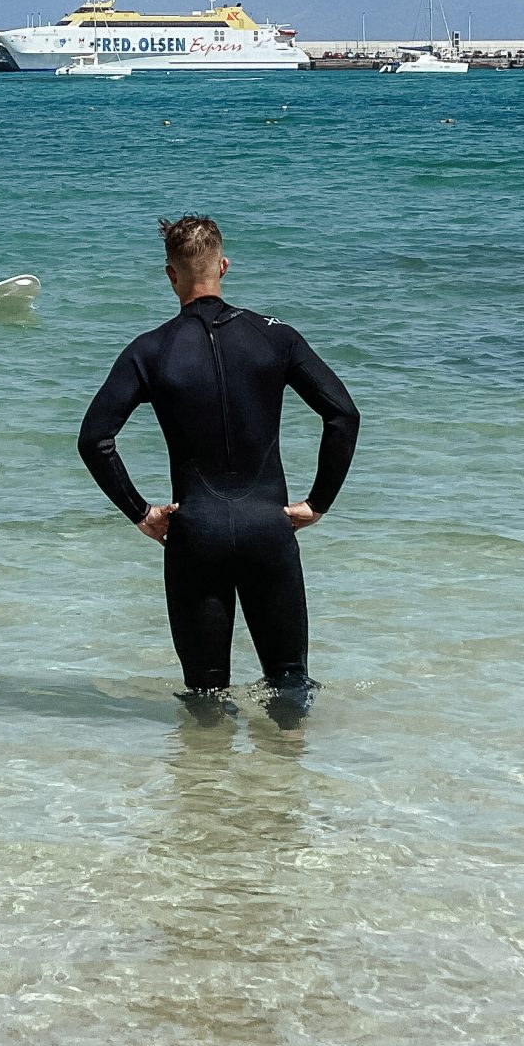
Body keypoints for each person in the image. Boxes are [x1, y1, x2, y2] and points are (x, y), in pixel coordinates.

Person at [77, 215, 359, 711]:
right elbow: (342, 415)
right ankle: (287, 759)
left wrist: (141, 513)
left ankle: (206, 762)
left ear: (171, 274)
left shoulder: (149, 350)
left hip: (196, 535)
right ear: (223, 266)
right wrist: (318, 503)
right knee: (289, 684)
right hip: (268, 529)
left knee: (206, 696)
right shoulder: (275, 336)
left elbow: (95, 439)